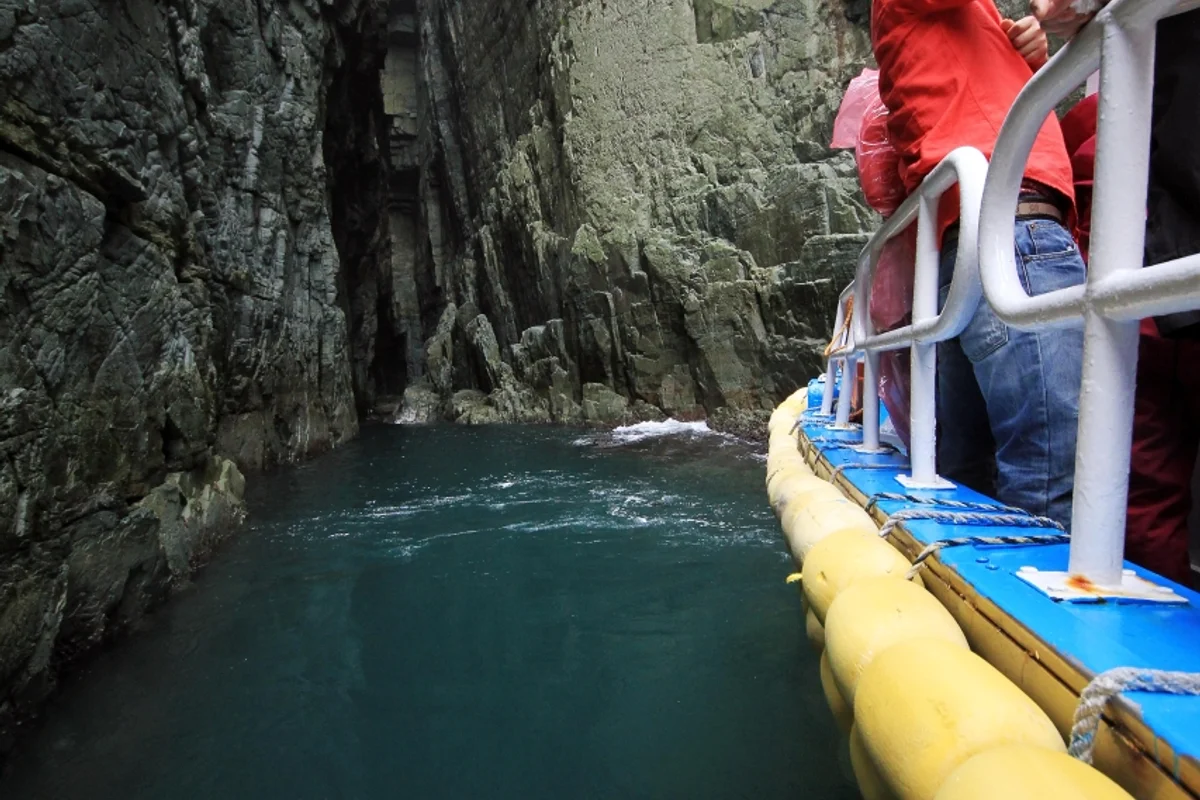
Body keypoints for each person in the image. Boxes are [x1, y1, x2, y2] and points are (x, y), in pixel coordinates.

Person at [871, 0, 1087, 528]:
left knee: (967, 473)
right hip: (1014, 234)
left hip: (965, 246)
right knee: (1050, 472)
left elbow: (971, 86)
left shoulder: (942, 21)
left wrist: (1028, 54)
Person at [1034, 0, 1200, 584]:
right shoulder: (1101, 113)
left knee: (1145, 482)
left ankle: (1153, 621)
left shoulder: (1087, 122)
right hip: (1153, 283)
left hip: (1142, 300)